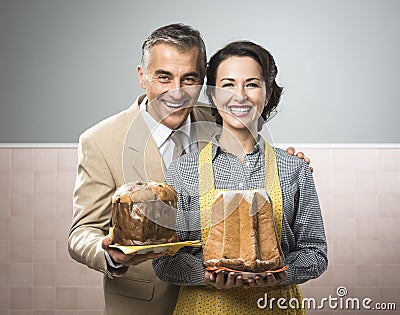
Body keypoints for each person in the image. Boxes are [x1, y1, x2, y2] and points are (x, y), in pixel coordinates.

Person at [68, 23, 313, 315]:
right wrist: (111, 255)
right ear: (142, 77)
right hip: (145, 302)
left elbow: (255, 164)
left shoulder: (219, 117)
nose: (176, 92)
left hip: (223, 302)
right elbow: (82, 231)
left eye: (189, 79)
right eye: (163, 77)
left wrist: (288, 166)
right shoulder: (100, 141)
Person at [153, 40, 328, 314]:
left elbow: (315, 253)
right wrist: (205, 274)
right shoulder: (182, 171)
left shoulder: (293, 169)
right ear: (212, 95)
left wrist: (283, 271)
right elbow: (164, 262)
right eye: (228, 84)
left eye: (252, 84)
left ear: (267, 94)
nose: (240, 96)